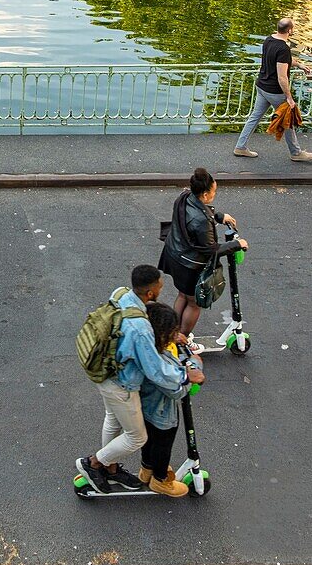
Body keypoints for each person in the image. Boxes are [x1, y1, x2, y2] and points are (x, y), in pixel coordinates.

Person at [76, 265, 204, 496]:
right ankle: (94, 463)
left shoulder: (122, 294)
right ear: (150, 293)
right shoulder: (141, 329)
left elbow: (147, 316)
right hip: (121, 384)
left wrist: (169, 332)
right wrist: (187, 375)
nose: (161, 289)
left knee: (113, 421)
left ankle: (110, 468)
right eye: (160, 287)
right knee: (137, 437)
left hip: (105, 371)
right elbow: (156, 371)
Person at [159, 167, 247, 347]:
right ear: (205, 194)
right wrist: (238, 244)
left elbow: (200, 210)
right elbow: (211, 249)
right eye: (214, 192)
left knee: (182, 295)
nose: (215, 194)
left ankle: (172, 334)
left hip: (174, 254)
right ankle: (181, 339)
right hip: (189, 264)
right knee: (193, 303)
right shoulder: (201, 221)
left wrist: (219, 216)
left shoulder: (184, 196)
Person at [139, 303, 203, 496]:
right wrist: (192, 375)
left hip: (146, 406)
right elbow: (175, 390)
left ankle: (146, 470)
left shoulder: (148, 346)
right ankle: (160, 480)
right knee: (163, 444)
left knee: (149, 441)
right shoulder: (162, 360)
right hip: (162, 411)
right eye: (172, 331)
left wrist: (175, 340)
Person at [234, 17, 312, 160]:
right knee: (287, 119)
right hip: (274, 91)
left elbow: (282, 60)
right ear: (289, 30)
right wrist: (289, 97)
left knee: (254, 117)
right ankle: (296, 153)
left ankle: (240, 146)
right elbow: (282, 77)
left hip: (262, 86)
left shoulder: (269, 40)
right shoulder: (283, 48)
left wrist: (299, 64)